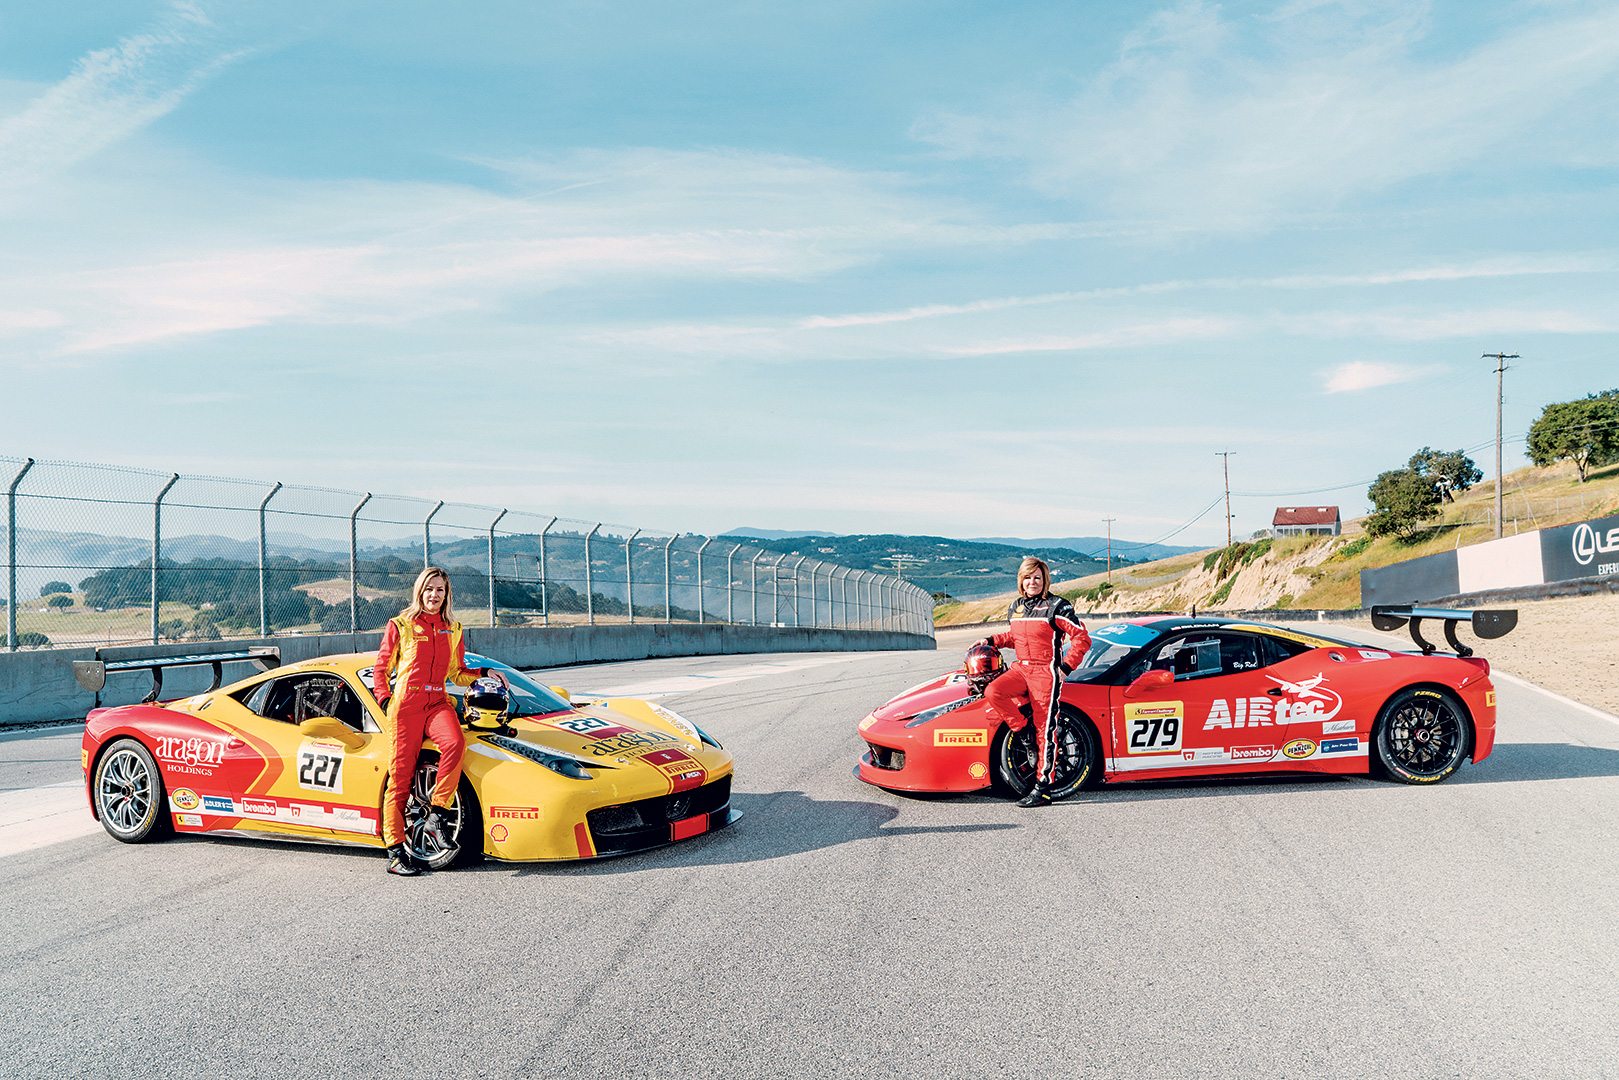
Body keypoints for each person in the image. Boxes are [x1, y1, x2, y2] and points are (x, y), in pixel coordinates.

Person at [373, 566, 489, 876]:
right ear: (419, 592)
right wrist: (385, 699)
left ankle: (437, 815)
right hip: (406, 708)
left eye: (440, 590)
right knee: (399, 780)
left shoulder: (455, 628)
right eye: (429, 589)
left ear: (446, 594)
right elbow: (381, 669)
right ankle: (396, 853)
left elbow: (456, 673)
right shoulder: (401, 625)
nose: (434, 595)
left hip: (437, 702)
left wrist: (484, 674)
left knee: (455, 743)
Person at [979, 556, 1091, 808]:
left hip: (1045, 672)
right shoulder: (1016, 607)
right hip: (1021, 669)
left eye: (1037, 578)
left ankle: (1043, 789)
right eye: (1028, 578)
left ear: (1045, 580)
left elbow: (1082, 638)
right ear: (1021, 580)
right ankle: (1023, 732)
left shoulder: (1058, 606)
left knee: (1046, 731)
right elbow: (1016, 636)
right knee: (993, 690)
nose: (1032, 582)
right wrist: (992, 640)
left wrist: (1065, 668)